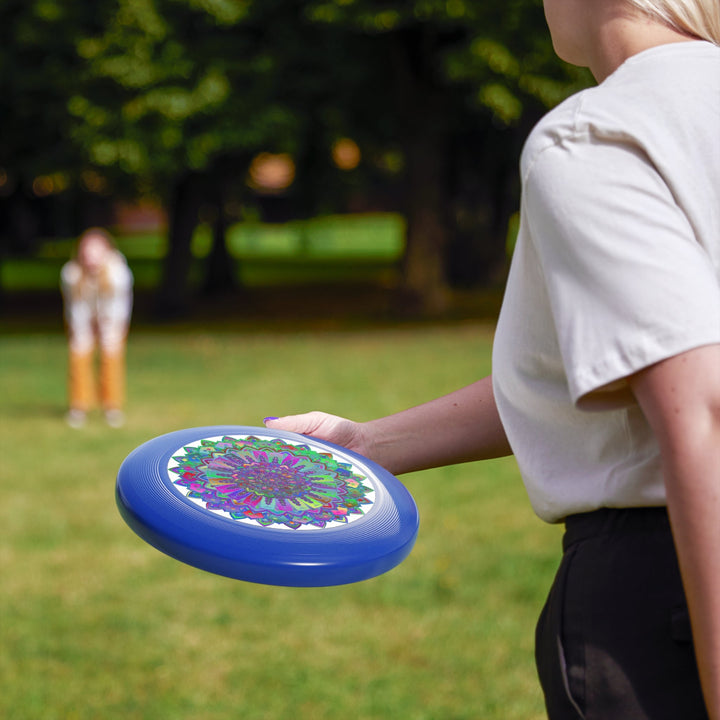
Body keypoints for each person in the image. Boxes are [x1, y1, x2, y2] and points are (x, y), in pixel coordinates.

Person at [264, 1, 720, 717]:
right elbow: (610, 370)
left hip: (669, 595)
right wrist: (368, 444)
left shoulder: (600, 134)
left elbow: (702, 408)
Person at [60, 227, 133, 428]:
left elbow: (118, 306)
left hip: (112, 319)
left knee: (111, 357)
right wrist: (84, 329)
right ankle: (79, 406)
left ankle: (112, 406)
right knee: (79, 354)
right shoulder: (71, 273)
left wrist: (106, 327)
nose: (91, 257)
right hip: (82, 319)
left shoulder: (118, 273)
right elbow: (76, 306)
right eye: (87, 251)